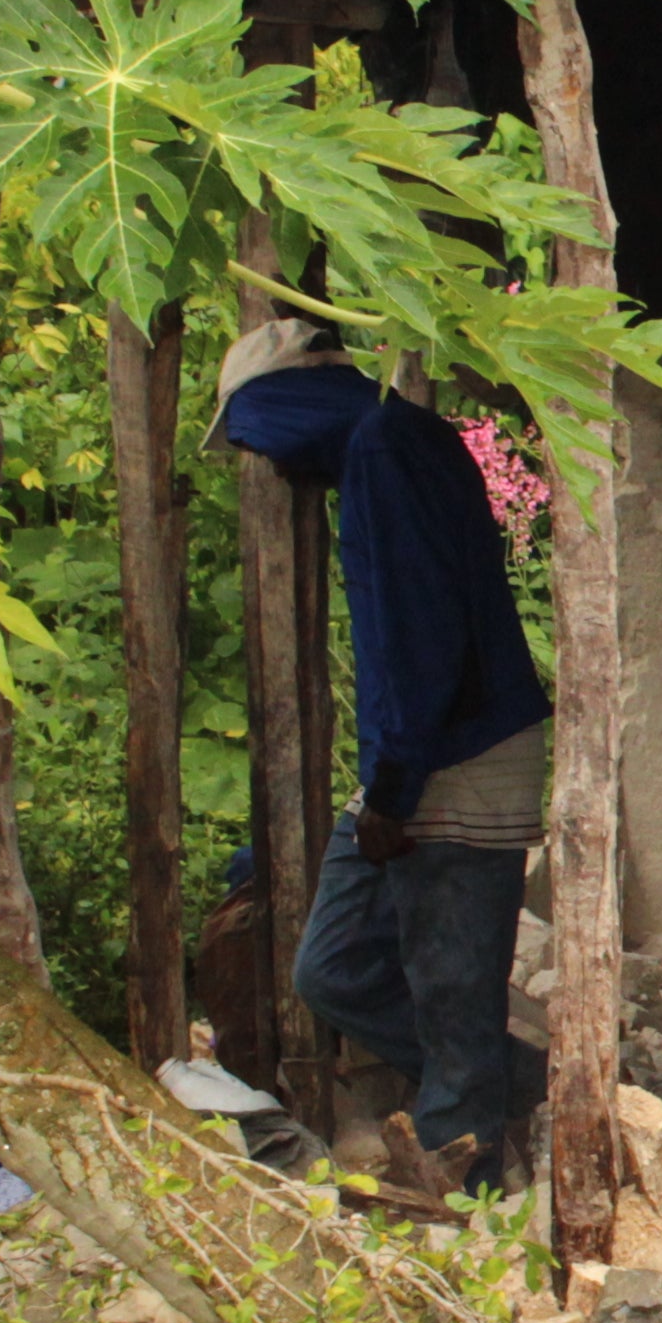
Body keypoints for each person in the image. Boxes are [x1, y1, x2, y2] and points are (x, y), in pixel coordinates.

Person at [212, 317, 552, 1193]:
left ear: (288, 404)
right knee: (334, 970)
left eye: (257, 438)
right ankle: (522, 1085)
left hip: (454, 762)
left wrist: (396, 793)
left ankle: (460, 1204)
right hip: (431, 754)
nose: (272, 467)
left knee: (449, 996)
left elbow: (419, 642)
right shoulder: (394, 444)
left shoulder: (383, 455)